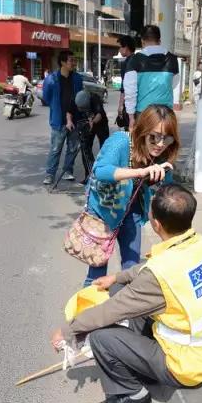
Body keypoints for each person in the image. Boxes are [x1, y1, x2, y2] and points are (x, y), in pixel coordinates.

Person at [51, 184, 202, 403]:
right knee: (118, 289)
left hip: (186, 365)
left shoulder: (158, 276)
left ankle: (132, 395)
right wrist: (117, 276)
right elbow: (153, 267)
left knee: (101, 337)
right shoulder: (200, 243)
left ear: (155, 224)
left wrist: (67, 330)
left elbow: (112, 309)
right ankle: (133, 357)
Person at [82, 104, 180, 287]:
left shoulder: (162, 156)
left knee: (131, 269)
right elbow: (100, 171)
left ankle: (126, 311)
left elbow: (168, 193)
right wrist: (141, 172)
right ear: (142, 130)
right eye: (154, 137)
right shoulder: (121, 141)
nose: (160, 144)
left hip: (132, 211)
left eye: (166, 139)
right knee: (97, 270)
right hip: (103, 212)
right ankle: (85, 313)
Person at [124, 25, 179, 130]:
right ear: (159, 40)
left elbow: (130, 92)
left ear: (142, 41)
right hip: (166, 115)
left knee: (143, 145)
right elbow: (174, 84)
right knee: (164, 145)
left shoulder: (135, 60)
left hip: (143, 115)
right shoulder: (172, 59)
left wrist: (131, 117)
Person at [42, 51, 84, 185]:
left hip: (75, 119)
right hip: (58, 120)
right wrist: (57, 108)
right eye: (71, 60)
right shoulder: (51, 79)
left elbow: (79, 97)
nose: (74, 63)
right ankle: (50, 174)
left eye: (74, 60)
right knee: (55, 149)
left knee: (72, 148)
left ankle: (67, 171)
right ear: (63, 62)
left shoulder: (77, 78)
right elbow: (47, 97)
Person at [78, 92, 110, 183]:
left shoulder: (94, 98)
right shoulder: (77, 99)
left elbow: (99, 114)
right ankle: (89, 175)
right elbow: (70, 111)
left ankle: (104, 175)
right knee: (85, 149)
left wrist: (93, 122)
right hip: (88, 124)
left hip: (101, 124)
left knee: (105, 149)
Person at [117, 35, 136, 130]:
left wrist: (120, 105)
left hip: (130, 105)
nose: (119, 49)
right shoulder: (139, 60)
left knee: (129, 130)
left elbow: (124, 87)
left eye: (121, 47)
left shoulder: (127, 63)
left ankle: (131, 144)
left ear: (126, 47)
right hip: (141, 104)